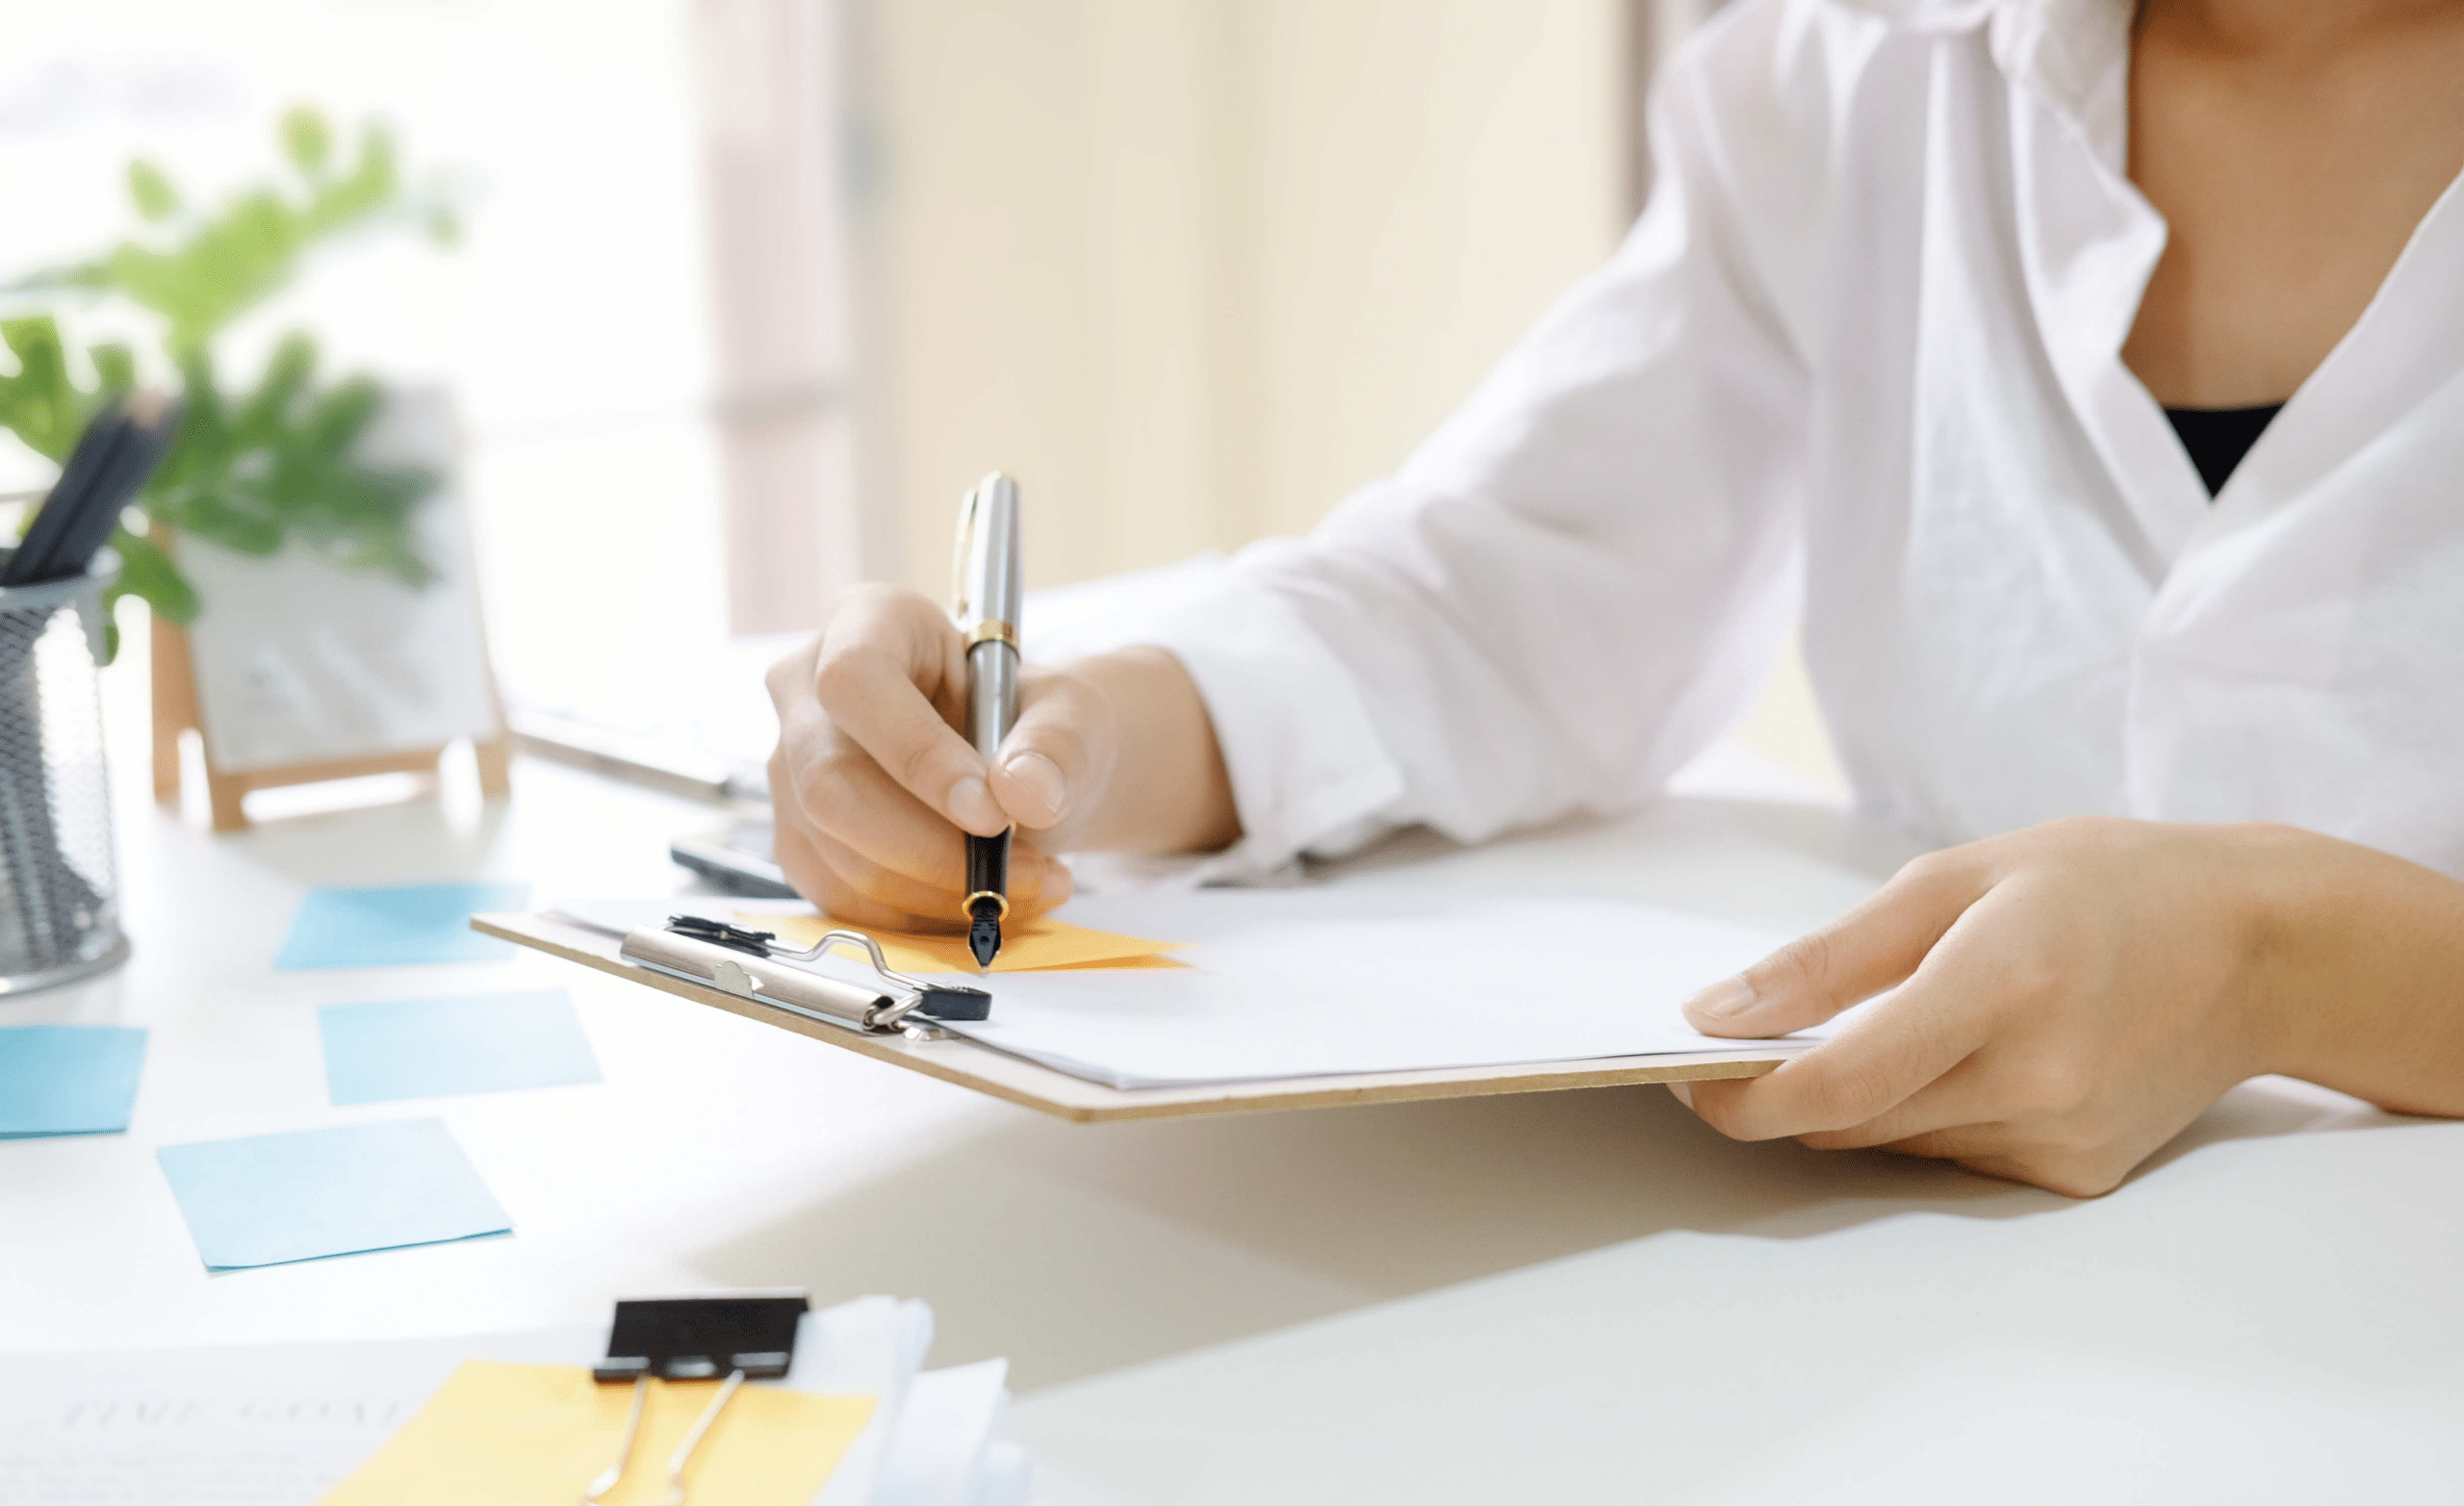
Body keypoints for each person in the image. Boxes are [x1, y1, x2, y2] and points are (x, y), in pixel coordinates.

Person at [769, 0, 2464, 1196]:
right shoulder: (1855, 66)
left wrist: (2278, 957)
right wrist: (1069, 741)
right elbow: (1503, 592)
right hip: (1936, 1316)